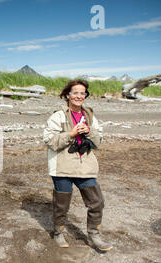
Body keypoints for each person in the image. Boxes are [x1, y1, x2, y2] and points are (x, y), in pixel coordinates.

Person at [43, 79, 113, 251]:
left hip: (85, 165)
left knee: (97, 202)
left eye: (83, 93)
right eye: (76, 92)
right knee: (62, 204)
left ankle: (94, 235)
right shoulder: (57, 116)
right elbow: (50, 141)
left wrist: (90, 132)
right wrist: (71, 133)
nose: (79, 96)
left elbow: (99, 141)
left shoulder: (89, 115)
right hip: (62, 166)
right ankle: (58, 232)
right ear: (68, 95)